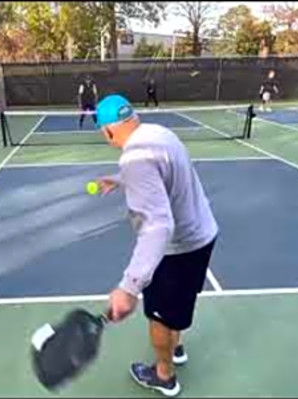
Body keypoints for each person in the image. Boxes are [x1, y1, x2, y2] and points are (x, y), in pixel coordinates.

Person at [95, 94, 218, 397]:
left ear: (107, 131)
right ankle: (175, 348)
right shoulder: (160, 133)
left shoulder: (134, 158)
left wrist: (129, 286)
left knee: (159, 315)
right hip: (203, 235)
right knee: (181, 299)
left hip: (176, 249)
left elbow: (158, 226)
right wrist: (119, 178)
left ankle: (164, 375)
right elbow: (158, 171)